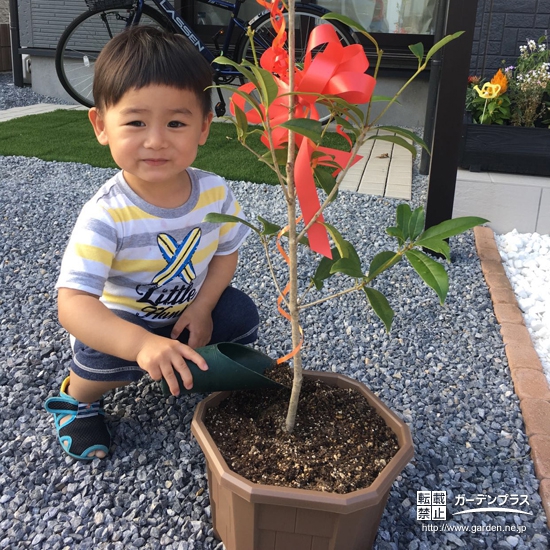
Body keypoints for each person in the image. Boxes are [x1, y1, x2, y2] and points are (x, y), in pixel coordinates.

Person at [44, 26, 259, 461]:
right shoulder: (107, 215)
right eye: (136, 122)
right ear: (102, 125)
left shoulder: (216, 193)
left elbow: (225, 252)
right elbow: (73, 304)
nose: (156, 139)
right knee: (103, 362)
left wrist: (201, 306)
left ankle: (189, 369)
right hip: (123, 323)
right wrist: (140, 345)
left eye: (176, 122)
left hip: (185, 312)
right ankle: (77, 400)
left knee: (240, 315)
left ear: (203, 126)